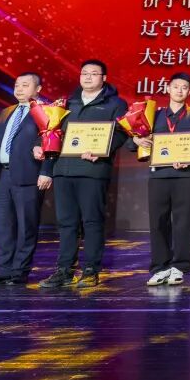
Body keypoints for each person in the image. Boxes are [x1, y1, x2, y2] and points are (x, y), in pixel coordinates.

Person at [40, 60, 128, 288]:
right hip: (63, 169)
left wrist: (103, 150)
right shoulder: (66, 103)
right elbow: (52, 132)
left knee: (92, 221)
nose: (88, 77)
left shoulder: (116, 104)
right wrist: (42, 148)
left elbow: (122, 133)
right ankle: (64, 270)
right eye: (84, 73)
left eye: (94, 73)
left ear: (104, 78)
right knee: (66, 222)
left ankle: (91, 270)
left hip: (93, 170)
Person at [130, 72, 190, 286]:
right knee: (158, 221)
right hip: (159, 175)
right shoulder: (153, 116)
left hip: (185, 176)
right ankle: (160, 267)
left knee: (184, 221)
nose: (180, 90)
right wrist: (137, 140)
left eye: (184, 87)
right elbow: (133, 141)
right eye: (176, 86)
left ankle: (180, 266)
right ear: (168, 89)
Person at [0, 72, 53, 285]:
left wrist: (46, 171)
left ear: (38, 89)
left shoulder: (46, 111)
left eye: (25, 85)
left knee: (26, 225)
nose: (19, 89)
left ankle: (20, 271)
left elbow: (52, 143)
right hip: (3, 175)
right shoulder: (6, 112)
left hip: (29, 175)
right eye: (17, 85)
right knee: (2, 225)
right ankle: (4, 269)